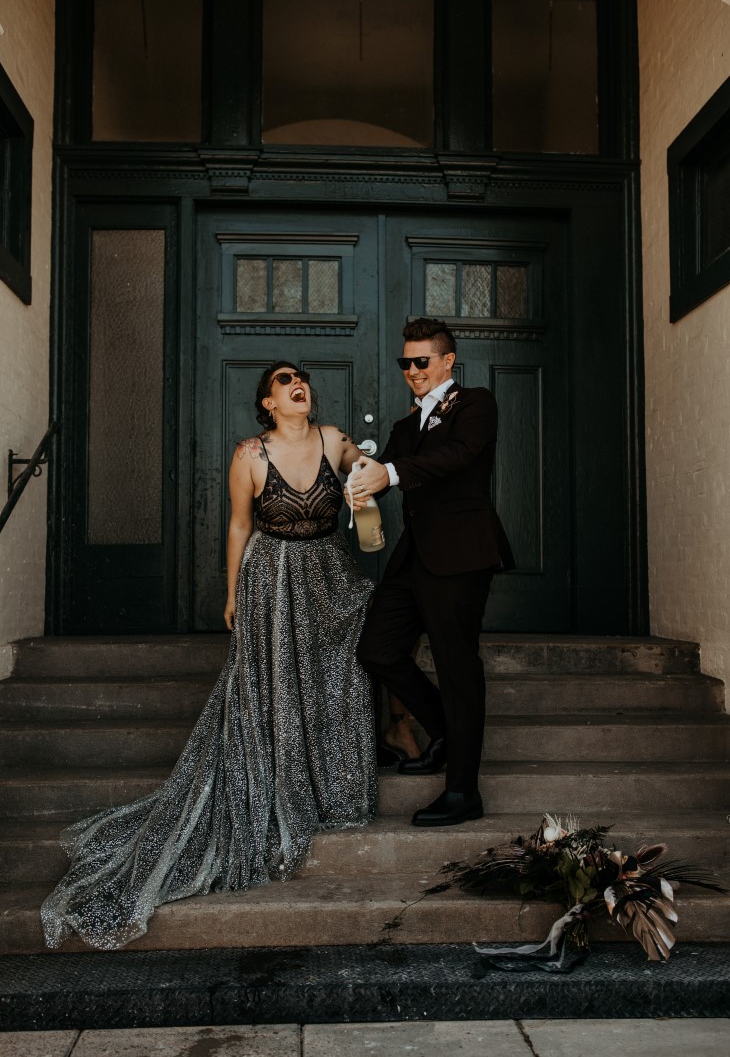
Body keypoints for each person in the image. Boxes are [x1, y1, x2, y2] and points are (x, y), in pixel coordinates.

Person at [41, 361, 377, 950]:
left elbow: (364, 469)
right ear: (268, 403)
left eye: (301, 379)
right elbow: (239, 526)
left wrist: (369, 471)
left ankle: (336, 784)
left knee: (343, 677)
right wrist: (229, 595)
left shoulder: (332, 439)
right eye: (282, 381)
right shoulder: (249, 455)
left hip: (330, 574)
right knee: (274, 686)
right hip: (270, 581)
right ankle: (281, 782)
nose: (297, 385)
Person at [352, 318, 514, 828]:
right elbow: (377, 477)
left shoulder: (475, 404)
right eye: (407, 363)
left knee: (456, 666)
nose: (413, 371)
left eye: (422, 361)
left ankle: (463, 791)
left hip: (462, 556)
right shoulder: (404, 427)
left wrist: (392, 472)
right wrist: (343, 468)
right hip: (414, 558)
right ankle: (447, 730)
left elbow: (458, 455)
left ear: (447, 361)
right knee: (376, 649)